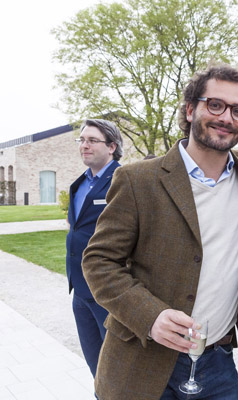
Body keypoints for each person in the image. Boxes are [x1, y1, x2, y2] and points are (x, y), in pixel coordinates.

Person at [81, 64, 238, 400]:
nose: (226, 117)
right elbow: (99, 261)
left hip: (217, 363)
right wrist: (150, 315)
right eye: (214, 105)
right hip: (140, 362)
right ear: (190, 110)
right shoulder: (137, 180)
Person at [66, 118, 122, 377]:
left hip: (107, 294)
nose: (84, 146)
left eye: (92, 140)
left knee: (116, 370)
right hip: (79, 291)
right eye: (82, 140)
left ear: (111, 146)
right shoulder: (78, 185)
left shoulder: (123, 182)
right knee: (95, 367)